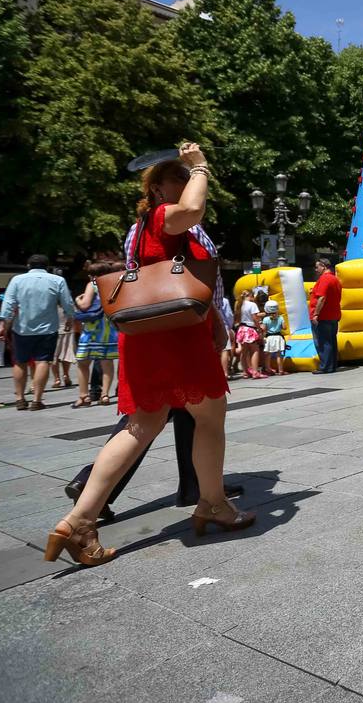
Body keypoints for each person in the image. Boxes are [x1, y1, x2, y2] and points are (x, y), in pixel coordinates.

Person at [45, 143, 253, 566]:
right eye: (176, 177)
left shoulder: (149, 225)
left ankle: (80, 519)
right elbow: (194, 211)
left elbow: (191, 282)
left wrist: (213, 319)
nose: (186, 180)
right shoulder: (164, 218)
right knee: (209, 419)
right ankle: (213, 504)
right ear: (157, 189)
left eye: (185, 175)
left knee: (142, 424)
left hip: (152, 337)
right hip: (175, 338)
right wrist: (201, 168)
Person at [0, 255, 74, 411]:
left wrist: (2, 324)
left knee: (19, 362)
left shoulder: (17, 280)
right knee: (43, 362)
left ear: (28, 265)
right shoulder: (57, 280)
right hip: (48, 328)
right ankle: (37, 400)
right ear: (47, 266)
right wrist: (70, 318)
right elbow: (67, 302)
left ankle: (20, 398)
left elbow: (8, 303)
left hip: (21, 328)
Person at [73, 260, 120, 407]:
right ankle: (105, 395)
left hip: (92, 330)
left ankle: (83, 396)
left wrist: (78, 300)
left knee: (83, 363)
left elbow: (85, 305)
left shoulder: (93, 284)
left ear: (91, 275)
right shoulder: (115, 285)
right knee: (107, 363)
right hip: (109, 329)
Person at [309, 257, 342, 374]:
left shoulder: (324, 279)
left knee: (323, 342)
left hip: (323, 316)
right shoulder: (335, 279)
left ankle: (325, 366)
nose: (316, 270)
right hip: (334, 315)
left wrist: (316, 314)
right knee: (332, 341)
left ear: (323, 266)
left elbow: (322, 297)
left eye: (317, 267)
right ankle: (332, 365)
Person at [51, 275, 77, 389]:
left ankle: (57, 379)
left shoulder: (51, 306)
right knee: (66, 355)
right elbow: (76, 318)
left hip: (54, 332)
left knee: (54, 357)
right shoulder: (69, 306)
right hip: (68, 332)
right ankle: (66, 375)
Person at [234, 288, 264, 379]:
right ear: (250, 296)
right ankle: (255, 372)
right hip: (250, 328)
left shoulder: (239, 304)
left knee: (244, 352)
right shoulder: (252, 304)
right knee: (255, 350)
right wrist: (259, 329)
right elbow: (255, 318)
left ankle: (245, 372)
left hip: (241, 329)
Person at [262, 300, 286, 376]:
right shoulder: (280, 317)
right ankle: (281, 370)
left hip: (269, 338)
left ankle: (268, 369)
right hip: (278, 337)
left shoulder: (265, 319)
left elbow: (264, 329)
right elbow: (284, 327)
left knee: (268, 354)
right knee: (279, 355)